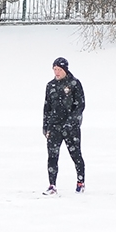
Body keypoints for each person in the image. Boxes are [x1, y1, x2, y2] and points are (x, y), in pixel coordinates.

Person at [42, 57, 86, 195]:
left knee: (76, 155)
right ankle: (52, 185)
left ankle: (80, 182)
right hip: (54, 126)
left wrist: (71, 122)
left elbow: (80, 105)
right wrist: (46, 126)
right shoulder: (50, 86)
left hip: (71, 127)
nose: (56, 72)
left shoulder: (74, 84)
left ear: (65, 69)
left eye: (59, 69)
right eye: (54, 69)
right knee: (52, 156)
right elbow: (47, 107)